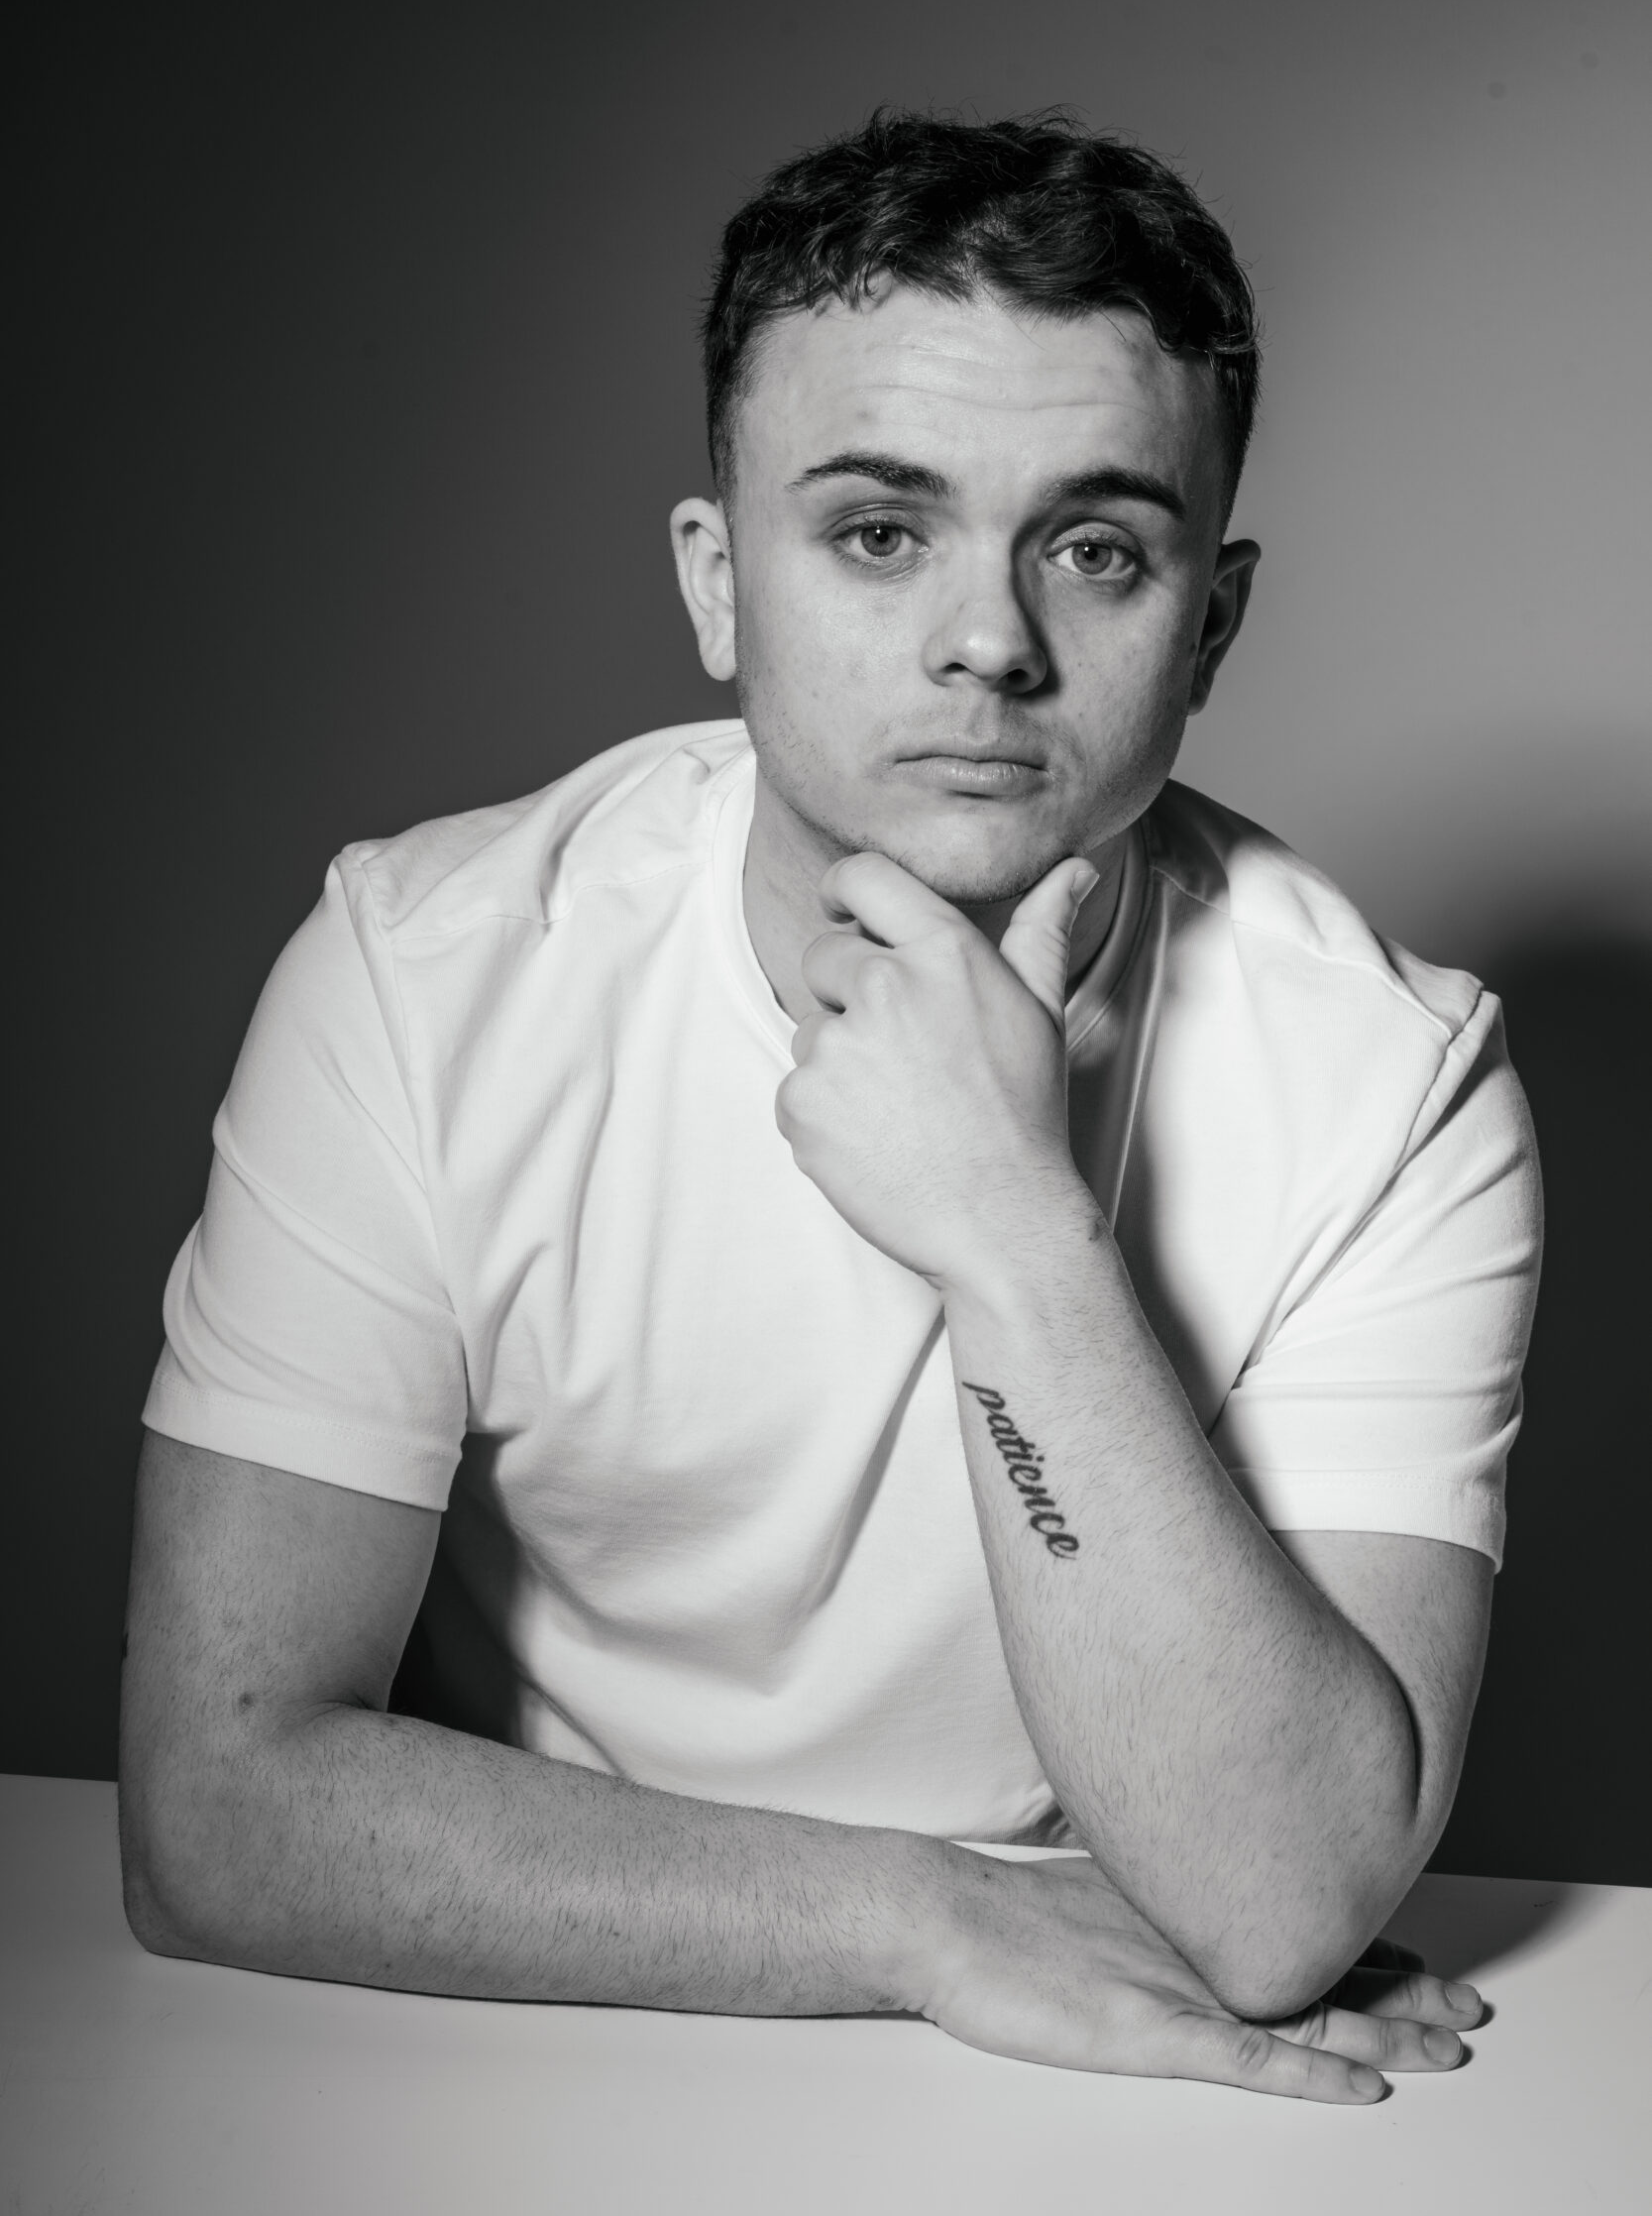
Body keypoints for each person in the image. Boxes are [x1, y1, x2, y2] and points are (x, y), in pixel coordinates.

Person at [120, 110, 1541, 2105]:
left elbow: (1281, 1897)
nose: (991, 641)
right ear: (719, 586)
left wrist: (1013, 1226)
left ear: (1207, 627)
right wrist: (919, 1918)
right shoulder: (425, 972)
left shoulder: (1393, 1077)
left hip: (1069, 2092)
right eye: (882, 531)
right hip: (513, 2033)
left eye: (1098, 549)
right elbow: (218, 1805)